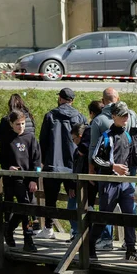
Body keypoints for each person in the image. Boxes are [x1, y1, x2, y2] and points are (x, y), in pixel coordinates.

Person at [90, 102, 137, 264]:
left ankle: (131, 250)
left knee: (130, 215)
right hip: (109, 182)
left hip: (125, 182)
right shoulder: (106, 136)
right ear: (113, 116)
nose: (125, 118)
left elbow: (132, 157)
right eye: (122, 115)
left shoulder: (128, 136)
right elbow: (95, 157)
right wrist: (112, 166)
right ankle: (89, 245)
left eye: (127, 115)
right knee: (105, 216)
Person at [38, 88, 87, 239]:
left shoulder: (50, 116)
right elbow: (84, 142)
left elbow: (43, 141)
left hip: (52, 165)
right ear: (72, 100)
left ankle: (48, 228)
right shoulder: (80, 117)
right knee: (74, 198)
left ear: (60, 98)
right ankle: (75, 230)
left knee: (50, 199)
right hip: (72, 166)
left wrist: (44, 161)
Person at [0, 110, 41, 253]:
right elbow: (2, 158)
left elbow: (37, 161)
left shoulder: (30, 137)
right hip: (13, 178)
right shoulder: (7, 139)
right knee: (25, 207)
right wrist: (8, 166)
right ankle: (28, 239)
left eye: (22, 124)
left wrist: (34, 179)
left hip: (28, 177)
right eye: (17, 124)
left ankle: (9, 228)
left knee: (28, 206)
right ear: (11, 124)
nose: (20, 127)